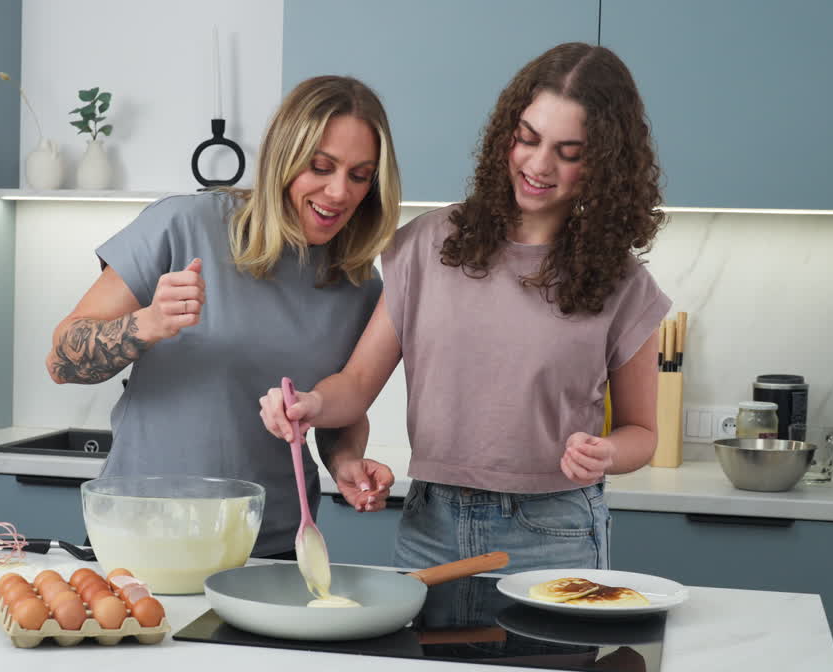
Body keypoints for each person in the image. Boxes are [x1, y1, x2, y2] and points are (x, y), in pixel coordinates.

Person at [259, 44, 671, 572]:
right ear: (507, 135)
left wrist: (608, 454)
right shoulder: (430, 245)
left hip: (556, 529)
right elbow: (358, 383)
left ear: (604, 164)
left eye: (569, 151)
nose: (539, 165)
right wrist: (313, 405)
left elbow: (642, 433)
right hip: (432, 525)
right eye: (528, 139)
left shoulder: (623, 282)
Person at [47, 76, 400, 559]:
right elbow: (62, 360)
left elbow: (336, 409)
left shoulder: (361, 287)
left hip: (269, 546)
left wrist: (345, 463)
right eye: (321, 167)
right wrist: (145, 325)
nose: (339, 192)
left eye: (360, 175)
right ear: (282, 158)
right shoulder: (186, 225)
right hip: (138, 535)